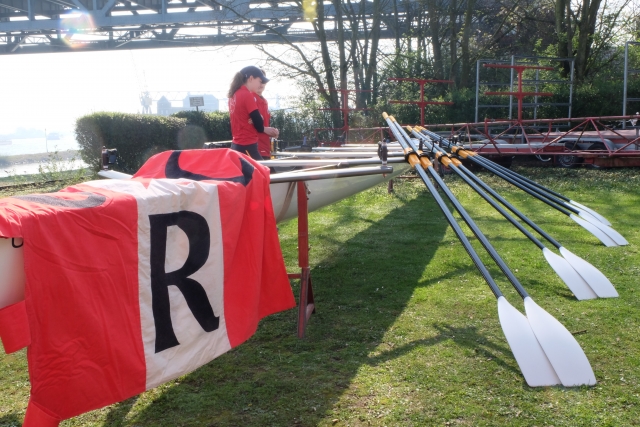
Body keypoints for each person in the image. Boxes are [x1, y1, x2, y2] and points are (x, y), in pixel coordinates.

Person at [227, 66, 279, 160]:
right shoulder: (247, 95)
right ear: (251, 78)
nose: (260, 84)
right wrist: (259, 119)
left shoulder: (233, 95)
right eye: (260, 81)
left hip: (237, 144)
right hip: (247, 145)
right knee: (262, 172)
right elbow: (259, 125)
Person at [255, 69, 277, 158]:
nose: (261, 84)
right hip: (256, 148)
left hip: (265, 148)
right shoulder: (251, 99)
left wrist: (272, 132)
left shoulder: (264, 101)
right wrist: (265, 129)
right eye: (259, 81)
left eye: (263, 81)